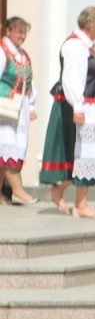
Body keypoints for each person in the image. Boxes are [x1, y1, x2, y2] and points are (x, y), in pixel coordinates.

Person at [38, 6, 95, 218]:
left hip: (91, 106)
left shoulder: (85, 46)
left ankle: (62, 192)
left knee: (86, 154)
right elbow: (71, 79)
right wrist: (78, 107)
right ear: (93, 24)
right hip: (80, 107)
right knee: (81, 153)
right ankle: (81, 203)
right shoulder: (75, 46)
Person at [0, 16, 39, 205]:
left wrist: (31, 105)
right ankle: (17, 190)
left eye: (24, 32)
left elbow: (29, 82)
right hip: (5, 106)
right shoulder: (2, 51)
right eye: (18, 31)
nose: (22, 36)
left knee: (10, 146)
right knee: (7, 145)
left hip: (20, 105)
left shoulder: (22, 54)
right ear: (8, 31)